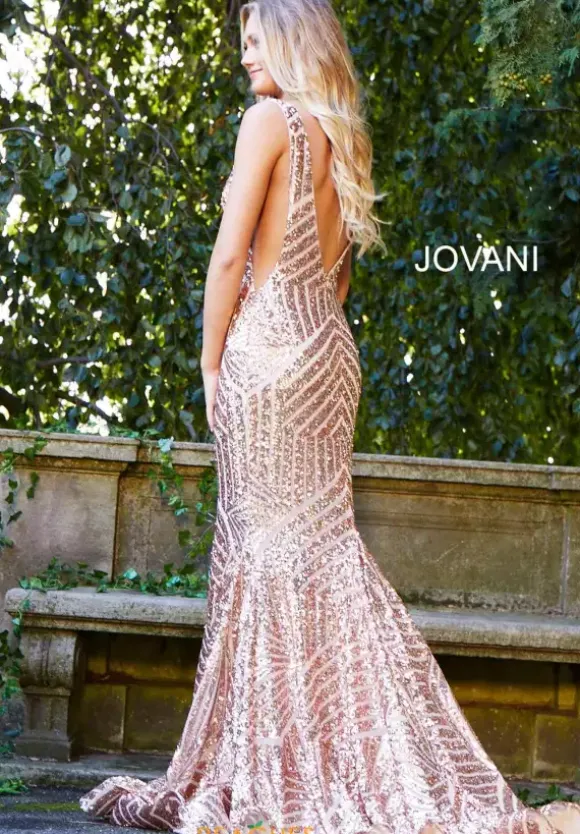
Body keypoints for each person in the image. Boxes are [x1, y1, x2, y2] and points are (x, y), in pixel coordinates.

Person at [80, 2, 580, 833]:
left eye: (255, 41)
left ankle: (275, 764)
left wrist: (211, 361)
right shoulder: (343, 137)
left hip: (268, 351)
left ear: (290, 41)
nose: (245, 56)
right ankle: (335, 758)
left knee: (263, 552)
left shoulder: (267, 123)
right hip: (327, 355)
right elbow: (339, 280)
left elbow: (230, 255)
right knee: (321, 552)